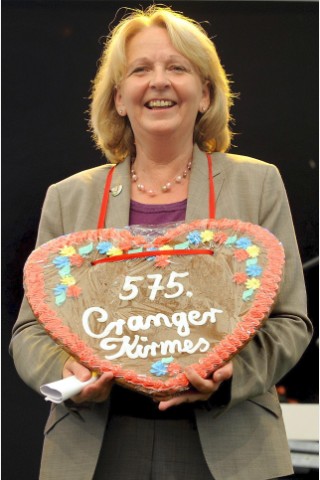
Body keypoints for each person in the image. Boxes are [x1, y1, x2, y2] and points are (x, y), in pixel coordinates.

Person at [10, 5, 312, 480]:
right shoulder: (68, 198)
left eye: (178, 67)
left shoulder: (258, 185)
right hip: (96, 446)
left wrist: (231, 377)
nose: (159, 81)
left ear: (206, 93)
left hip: (229, 444)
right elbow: (30, 332)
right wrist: (66, 374)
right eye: (140, 70)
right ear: (118, 99)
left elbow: (291, 321)